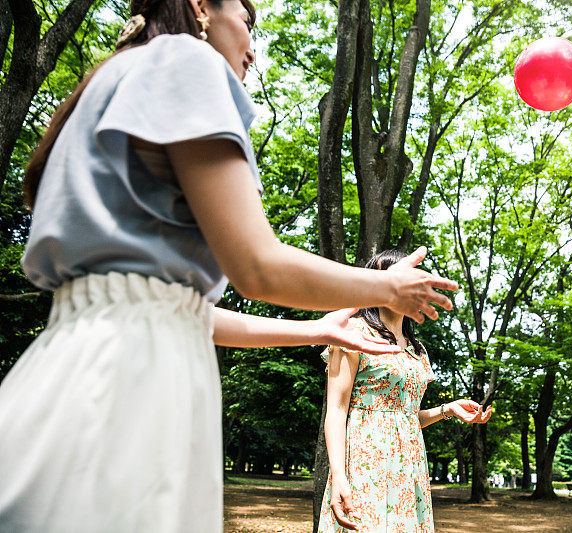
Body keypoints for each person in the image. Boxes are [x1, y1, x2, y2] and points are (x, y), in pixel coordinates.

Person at [0, 0, 458, 530]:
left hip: (70, 365)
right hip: (134, 383)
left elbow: (180, 312)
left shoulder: (106, 82)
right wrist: (385, 287)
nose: (252, 51)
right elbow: (257, 266)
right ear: (201, 7)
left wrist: (315, 329)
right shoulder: (186, 61)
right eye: (247, 22)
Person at [320, 250, 493, 532]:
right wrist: (339, 475)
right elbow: (337, 411)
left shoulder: (417, 349)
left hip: (409, 467)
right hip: (365, 464)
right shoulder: (352, 332)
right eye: (391, 278)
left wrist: (446, 410)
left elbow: (405, 418)